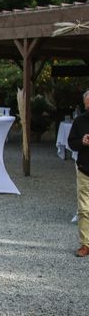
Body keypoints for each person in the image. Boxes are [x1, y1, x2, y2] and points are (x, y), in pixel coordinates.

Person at [68, 90, 89, 257]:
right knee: (84, 210)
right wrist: (81, 141)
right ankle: (85, 244)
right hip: (84, 169)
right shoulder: (79, 121)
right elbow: (71, 143)